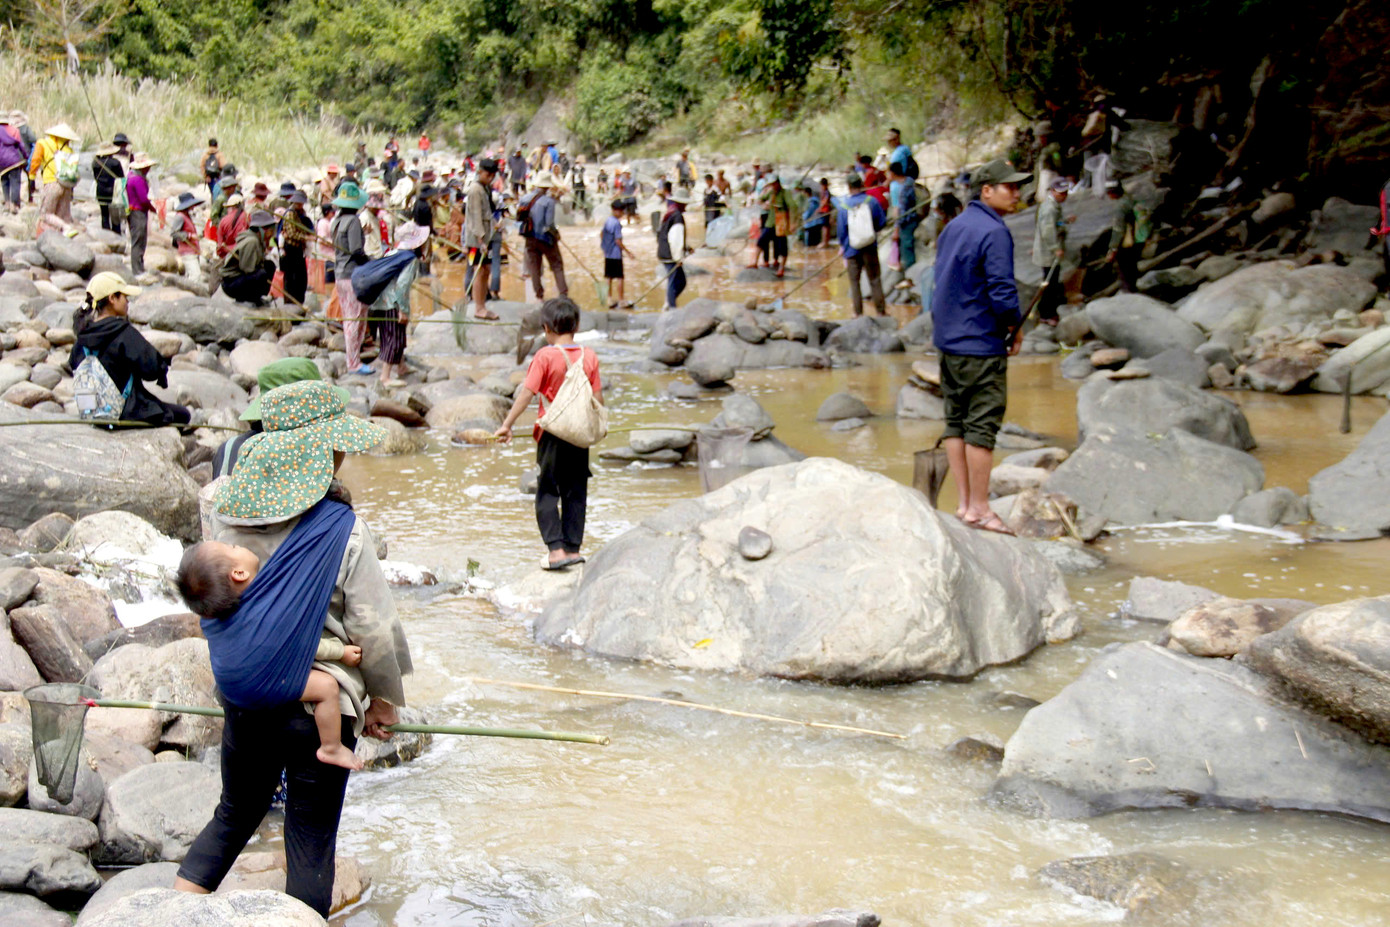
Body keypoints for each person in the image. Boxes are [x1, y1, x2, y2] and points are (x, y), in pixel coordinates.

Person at [173, 379, 410, 919]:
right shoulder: (343, 530)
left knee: (235, 812)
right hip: (315, 711)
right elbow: (373, 627)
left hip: (247, 697)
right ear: (324, 452)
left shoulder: (225, 523)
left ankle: (171, 909)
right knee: (309, 833)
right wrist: (383, 703)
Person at [178, 540, 366, 771]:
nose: (236, 544)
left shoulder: (211, 618)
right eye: (233, 547)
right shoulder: (266, 618)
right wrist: (342, 653)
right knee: (326, 688)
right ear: (239, 573)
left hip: (230, 690)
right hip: (260, 685)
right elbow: (305, 646)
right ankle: (331, 748)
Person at [931, 158, 1030, 535]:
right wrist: (1014, 328)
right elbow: (1003, 291)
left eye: (1018, 187)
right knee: (981, 427)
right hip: (979, 343)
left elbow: (940, 280)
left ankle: (963, 504)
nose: (1017, 193)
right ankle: (981, 508)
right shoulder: (994, 231)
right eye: (1010, 187)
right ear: (986, 190)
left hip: (948, 341)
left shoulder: (954, 226)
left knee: (955, 422)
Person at [495, 297, 604, 570]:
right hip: (579, 435)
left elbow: (527, 395)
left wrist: (507, 424)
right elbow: (598, 399)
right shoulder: (589, 356)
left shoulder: (545, 356)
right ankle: (572, 549)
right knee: (576, 491)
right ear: (576, 326)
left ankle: (555, 551)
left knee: (547, 491)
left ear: (546, 328)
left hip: (551, 434)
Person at [71, 273, 191, 428]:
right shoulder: (123, 332)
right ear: (112, 299)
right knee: (184, 414)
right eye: (124, 297)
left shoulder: (82, 336)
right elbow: (152, 368)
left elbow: (73, 364)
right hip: (129, 411)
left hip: (94, 411)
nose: (127, 301)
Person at [370, 221, 428, 387]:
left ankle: (401, 366)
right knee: (393, 338)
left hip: (380, 301)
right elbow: (402, 286)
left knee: (397, 334)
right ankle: (385, 376)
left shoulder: (391, 253)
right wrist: (403, 310)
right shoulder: (410, 259)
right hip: (392, 304)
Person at [331, 182, 372, 373]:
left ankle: (353, 358)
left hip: (340, 274)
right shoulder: (353, 221)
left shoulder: (337, 222)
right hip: (353, 275)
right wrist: (372, 263)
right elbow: (356, 251)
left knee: (352, 317)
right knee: (355, 318)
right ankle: (353, 363)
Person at [837, 174, 887, 317]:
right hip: (870, 246)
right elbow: (882, 222)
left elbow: (841, 232)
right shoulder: (872, 202)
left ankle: (858, 314)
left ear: (849, 187)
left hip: (852, 249)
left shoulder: (843, 207)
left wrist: (843, 246)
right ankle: (881, 312)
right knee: (875, 279)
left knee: (854, 282)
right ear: (862, 185)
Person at [465, 158, 503, 321]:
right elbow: (475, 217)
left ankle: (481, 304)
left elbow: (487, 212)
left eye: (492, 175)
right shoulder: (475, 190)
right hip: (476, 241)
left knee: (485, 270)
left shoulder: (484, 188)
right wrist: (481, 241)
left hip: (484, 238)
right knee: (479, 271)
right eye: (488, 175)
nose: (490, 178)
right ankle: (479, 308)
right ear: (480, 172)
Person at [1032, 177, 1073, 324]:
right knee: (1049, 283)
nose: (1064, 196)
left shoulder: (1054, 206)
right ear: (1053, 191)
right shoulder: (1049, 208)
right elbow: (1048, 231)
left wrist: (1066, 221)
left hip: (1052, 250)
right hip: (1048, 252)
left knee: (1053, 281)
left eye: (1066, 193)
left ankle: (1051, 310)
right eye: (1061, 193)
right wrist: (1056, 248)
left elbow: (1057, 223)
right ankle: (1046, 314)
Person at [28, 122, 80, 235]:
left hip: (51, 183)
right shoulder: (70, 151)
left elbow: (35, 161)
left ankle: (65, 228)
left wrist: (31, 178)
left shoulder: (43, 143)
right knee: (63, 215)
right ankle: (63, 235)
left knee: (45, 214)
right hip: (66, 185)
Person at [522, 177, 567, 301]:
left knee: (534, 267)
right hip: (545, 238)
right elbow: (549, 224)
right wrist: (556, 234)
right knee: (557, 265)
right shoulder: (549, 201)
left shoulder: (525, 198)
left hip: (530, 238)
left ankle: (539, 295)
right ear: (547, 187)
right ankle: (563, 294)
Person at [218, 210, 277, 304]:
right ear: (261, 229)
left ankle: (257, 297)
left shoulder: (258, 241)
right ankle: (249, 298)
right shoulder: (251, 241)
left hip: (240, 279)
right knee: (261, 274)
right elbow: (247, 269)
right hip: (231, 283)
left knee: (269, 265)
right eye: (270, 232)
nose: (270, 235)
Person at [1106, 179, 1149, 293]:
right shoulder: (1131, 199)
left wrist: (1113, 248)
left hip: (1127, 243)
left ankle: (1128, 292)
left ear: (1112, 193)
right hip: (1139, 239)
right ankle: (1133, 288)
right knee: (1132, 267)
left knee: (1124, 269)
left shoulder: (1120, 207)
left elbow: (1118, 229)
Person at [656, 190, 692, 310]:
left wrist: (686, 248)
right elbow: (675, 238)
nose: (686, 206)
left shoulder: (670, 213)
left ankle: (669, 302)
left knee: (681, 281)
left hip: (663, 251)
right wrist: (678, 257)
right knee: (673, 281)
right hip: (670, 254)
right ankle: (671, 307)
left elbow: (665, 234)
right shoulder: (677, 216)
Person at [126, 153, 157, 278]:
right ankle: (137, 270)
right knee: (139, 240)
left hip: (132, 210)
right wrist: (153, 208)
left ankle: (138, 267)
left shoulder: (130, 176)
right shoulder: (138, 179)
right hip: (138, 212)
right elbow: (143, 199)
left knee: (137, 239)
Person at [280, 191, 313, 306]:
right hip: (291, 249)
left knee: (300, 279)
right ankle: (291, 303)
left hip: (298, 249)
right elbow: (291, 233)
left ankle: (298, 302)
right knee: (293, 279)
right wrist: (306, 238)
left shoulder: (298, 213)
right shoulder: (290, 213)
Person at [602, 198, 635, 309]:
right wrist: (628, 252)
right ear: (617, 211)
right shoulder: (616, 224)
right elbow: (618, 241)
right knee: (620, 277)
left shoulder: (608, 221)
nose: (622, 213)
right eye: (621, 211)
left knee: (608, 277)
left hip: (608, 254)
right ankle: (621, 300)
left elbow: (602, 235)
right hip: (616, 254)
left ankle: (609, 299)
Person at [758, 175, 794, 277]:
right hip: (769, 219)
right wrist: (764, 205)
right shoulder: (769, 192)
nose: (772, 186)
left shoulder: (784, 193)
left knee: (780, 243)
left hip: (780, 221)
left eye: (774, 184)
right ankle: (763, 261)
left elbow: (792, 206)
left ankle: (777, 263)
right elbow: (760, 200)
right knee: (763, 240)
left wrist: (792, 222)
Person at [888, 161, 920, 273]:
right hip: (914, 218)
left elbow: (899, 211)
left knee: (906, 248)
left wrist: (896, 230)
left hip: (906, 222)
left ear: (892, 173)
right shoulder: (910, 181)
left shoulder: (900, 189)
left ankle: (910, 274)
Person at [170, 191, 206, 286]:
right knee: (196, 276)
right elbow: (174, 233)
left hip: (193, 250)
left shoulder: (187, 215)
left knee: (191, 274)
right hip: (187, 251)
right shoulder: (180, 217)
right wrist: (189, 236)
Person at [92, 143, 125, 234]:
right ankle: (116, 233)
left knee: (104, 214)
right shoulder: (115, 163)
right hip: (113, 191)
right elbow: (121, 178)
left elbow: (95, 177)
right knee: (115, 215)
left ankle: (106, 233)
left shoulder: (96, 163)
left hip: (100, 190)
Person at [0, 114, 27, 213]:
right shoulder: (14, 130)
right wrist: (26, 156)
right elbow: (21, 145)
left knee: (4, 181)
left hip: (1, 161)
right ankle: (14, 204)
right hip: (14, 160)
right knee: (15, 181)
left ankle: (7, 203)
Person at [12, 111, 37, 205]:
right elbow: (34, 140)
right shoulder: (26, 129)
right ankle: (30, 198)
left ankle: (15, 201)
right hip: (26, 157)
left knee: (16, 179)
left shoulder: (11, 129)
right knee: (31, 177)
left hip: (15, 158)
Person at [217, 193, 248, 260]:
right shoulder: (247, 217)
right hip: (245, 253)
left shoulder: (223, 221)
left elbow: (220, 245)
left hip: (228, 254)